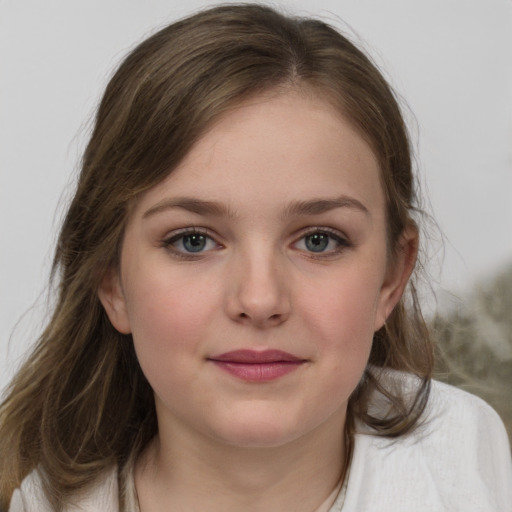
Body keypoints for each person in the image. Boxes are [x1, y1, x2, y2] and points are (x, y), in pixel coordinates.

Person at [1, 4, 510, 511]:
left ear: (391, 279)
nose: (260, 299)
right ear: (111, 281)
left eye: (318, 240)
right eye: (193, 240)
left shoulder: (464, 456)